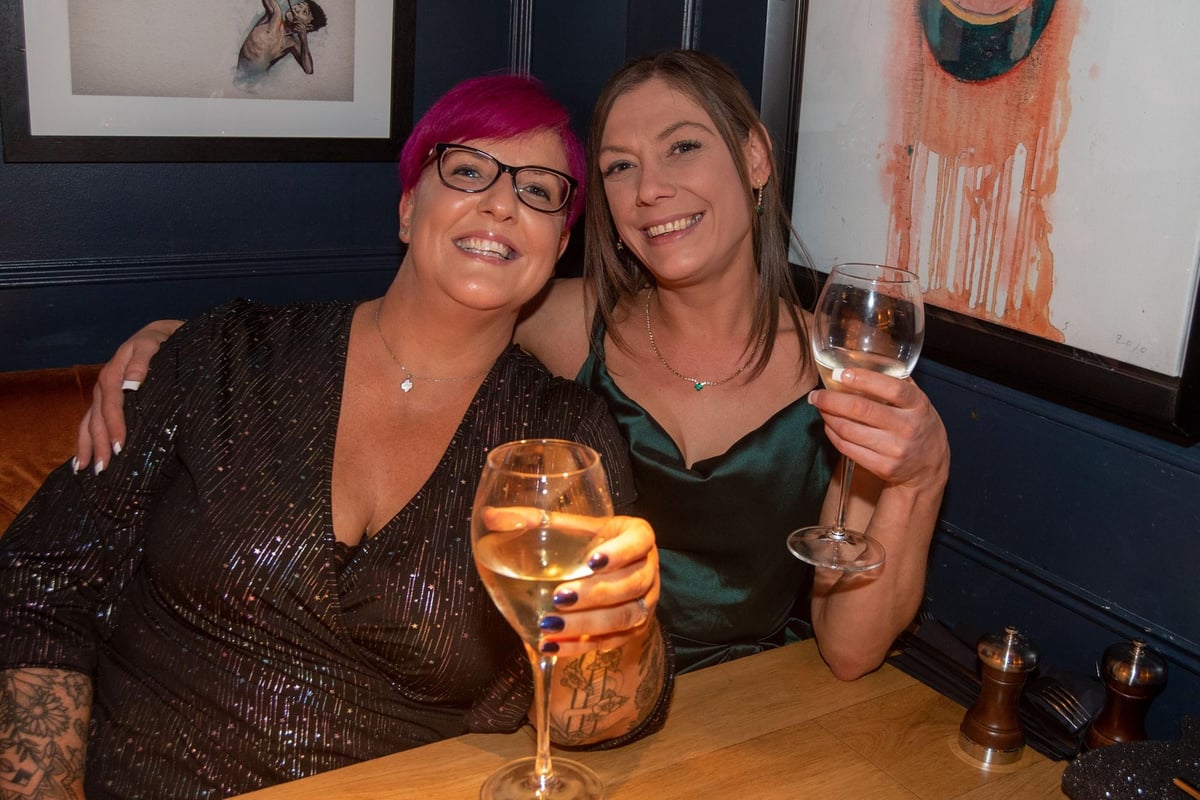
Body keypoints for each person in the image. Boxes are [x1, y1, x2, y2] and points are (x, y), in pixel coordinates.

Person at [76, 50, 949, 679]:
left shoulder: (840, 369)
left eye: (683, 147)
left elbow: (849, 652)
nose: (650, 189)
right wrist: (184, 341)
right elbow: (403, 322)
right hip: (564, 692)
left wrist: (917, 480)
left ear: (754, 157)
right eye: (620, 166)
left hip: (752, 715)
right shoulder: (564, 321)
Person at [0, 75, 669, 800]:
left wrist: (619, 632)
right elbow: (41, 588)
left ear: (560, 243)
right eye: (468, 171)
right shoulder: (225, 355)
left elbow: (586, 722)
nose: (502, 204)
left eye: (538, 190)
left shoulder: (563, 437)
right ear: (408, 209)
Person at [237, 0, 327, 78]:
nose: (296, 9)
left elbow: (308, 69)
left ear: (308, 27)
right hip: (239, 74)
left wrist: (303, 38)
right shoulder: (275, 14)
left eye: (304, 12)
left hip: (255, 81)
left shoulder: (292, 43)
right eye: (299, 5)